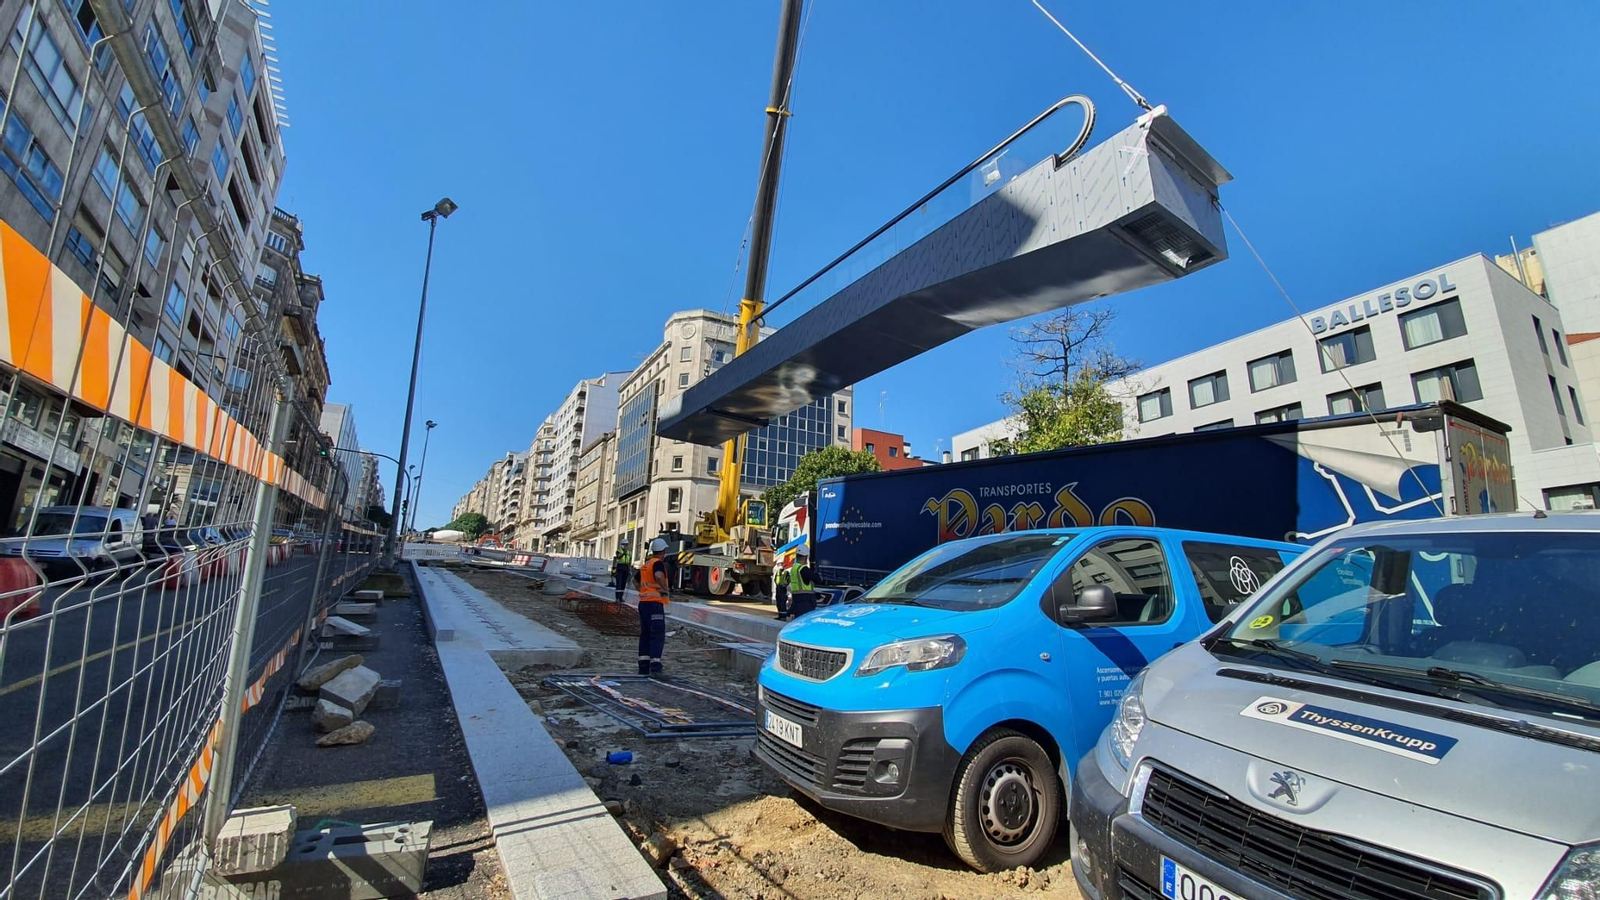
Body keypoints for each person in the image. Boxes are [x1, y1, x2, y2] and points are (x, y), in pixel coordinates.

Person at [636, 537, 672, 675]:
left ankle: (643, 667)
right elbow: (658, 576)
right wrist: (664, 588)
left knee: (645, 634)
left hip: (644, 604)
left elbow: (635, 580)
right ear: (663, 551)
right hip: (655, 605)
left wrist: (643, 591)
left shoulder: (646, 565)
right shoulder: (657, 564)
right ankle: (655, 667)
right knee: (657, 634)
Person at [787, 544, 819, 618]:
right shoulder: (804, 569)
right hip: (806, 600)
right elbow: (817, 580)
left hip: (796, 598)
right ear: (806, 556)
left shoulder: (794, 568)